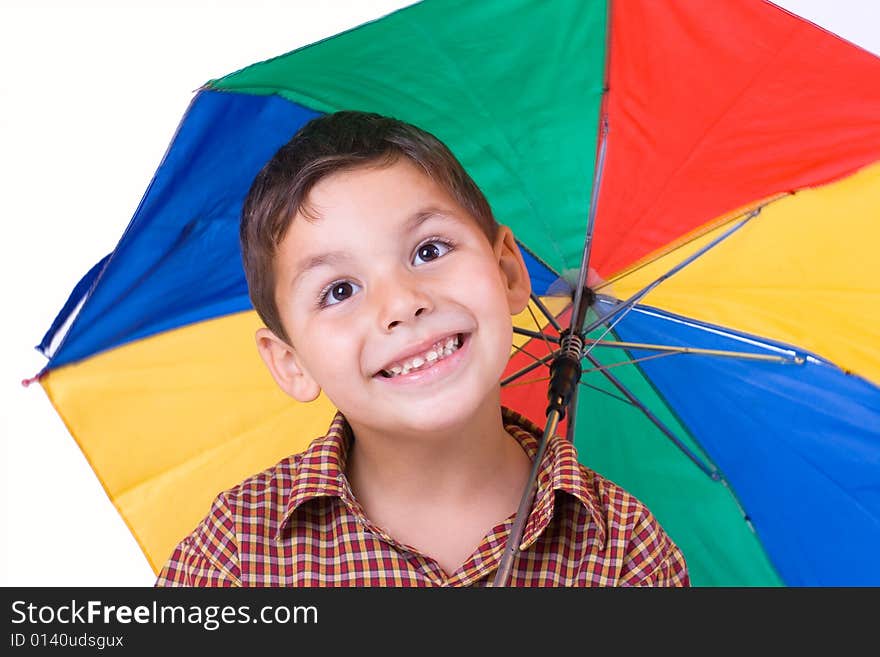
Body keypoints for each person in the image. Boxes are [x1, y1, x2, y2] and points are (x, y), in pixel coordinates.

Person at [155, 111, 689, 587]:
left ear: (506, 271)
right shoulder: (237, 558)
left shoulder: (624, 552)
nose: (402, 304)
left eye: (429, 250)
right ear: (291, 363)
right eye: (340, 290)